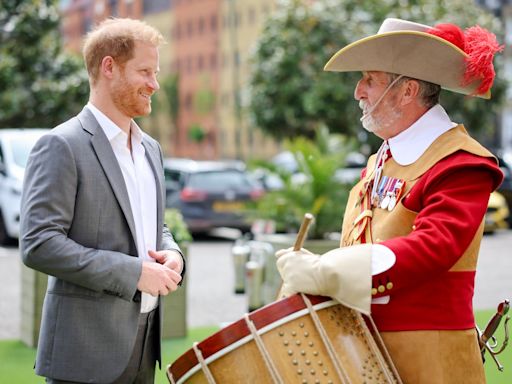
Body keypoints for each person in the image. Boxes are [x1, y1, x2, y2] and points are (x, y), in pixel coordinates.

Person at [276, 18, 504, 383]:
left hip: (431, 366)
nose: (357, 91)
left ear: (408, 90)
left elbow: (435, 246)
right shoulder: (382, 159)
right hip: (365, 360)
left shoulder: (462, 163)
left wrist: (329, 271)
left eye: (370, 78)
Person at [20, 18, 185, 384]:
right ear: (109, 67)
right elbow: (39, 244)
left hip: (144, 346)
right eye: (145, 71)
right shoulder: (62, 145)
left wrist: (172, 253)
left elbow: (154, 226)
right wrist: (135, 273)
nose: (154, 84)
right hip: (84, 354)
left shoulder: (151, 150)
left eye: (155, 73)